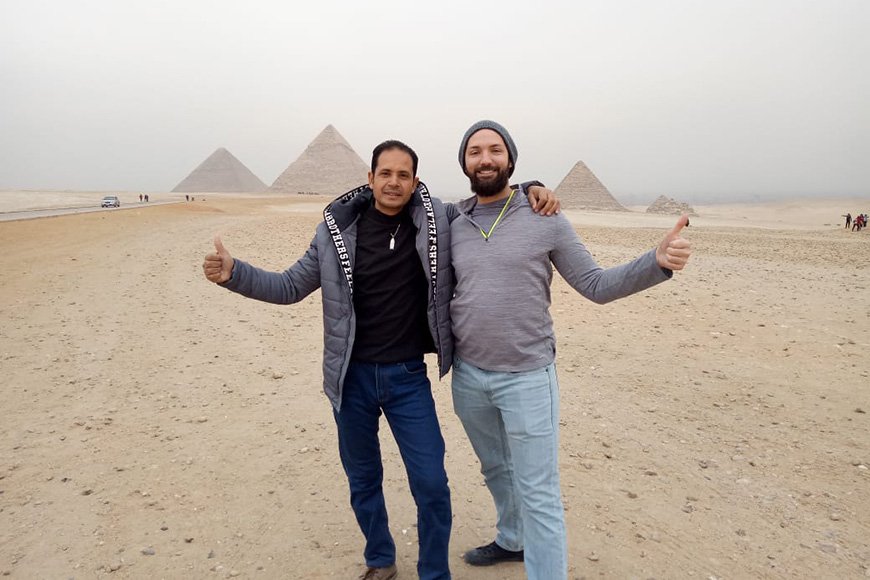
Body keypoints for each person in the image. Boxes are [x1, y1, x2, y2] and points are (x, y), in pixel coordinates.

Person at [203, 139, 558, 580]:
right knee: (363, 478)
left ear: (415, 183)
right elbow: (290, 286)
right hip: (349, 378)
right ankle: (380, 560)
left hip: (408, 378)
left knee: (431, 483)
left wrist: (530, 188)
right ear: (370, 179)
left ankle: (434, 572)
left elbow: (488, 198)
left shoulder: (437, 224)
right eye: (385, 174)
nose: (393, 182)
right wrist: (236, 273)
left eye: (403, 175)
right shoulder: (333, 234)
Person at [448, 120, 693, 580]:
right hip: (468, 376)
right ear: (463, 162)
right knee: (496, 469)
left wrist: (654, 262)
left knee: (538, 491)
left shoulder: (546, 218)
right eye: (475, 151)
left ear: (511, 160)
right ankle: (511, 539)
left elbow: (595, 285)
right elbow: (395, 209)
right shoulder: (451, 220)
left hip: (527, 377)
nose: (485, 159)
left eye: (495, 150)